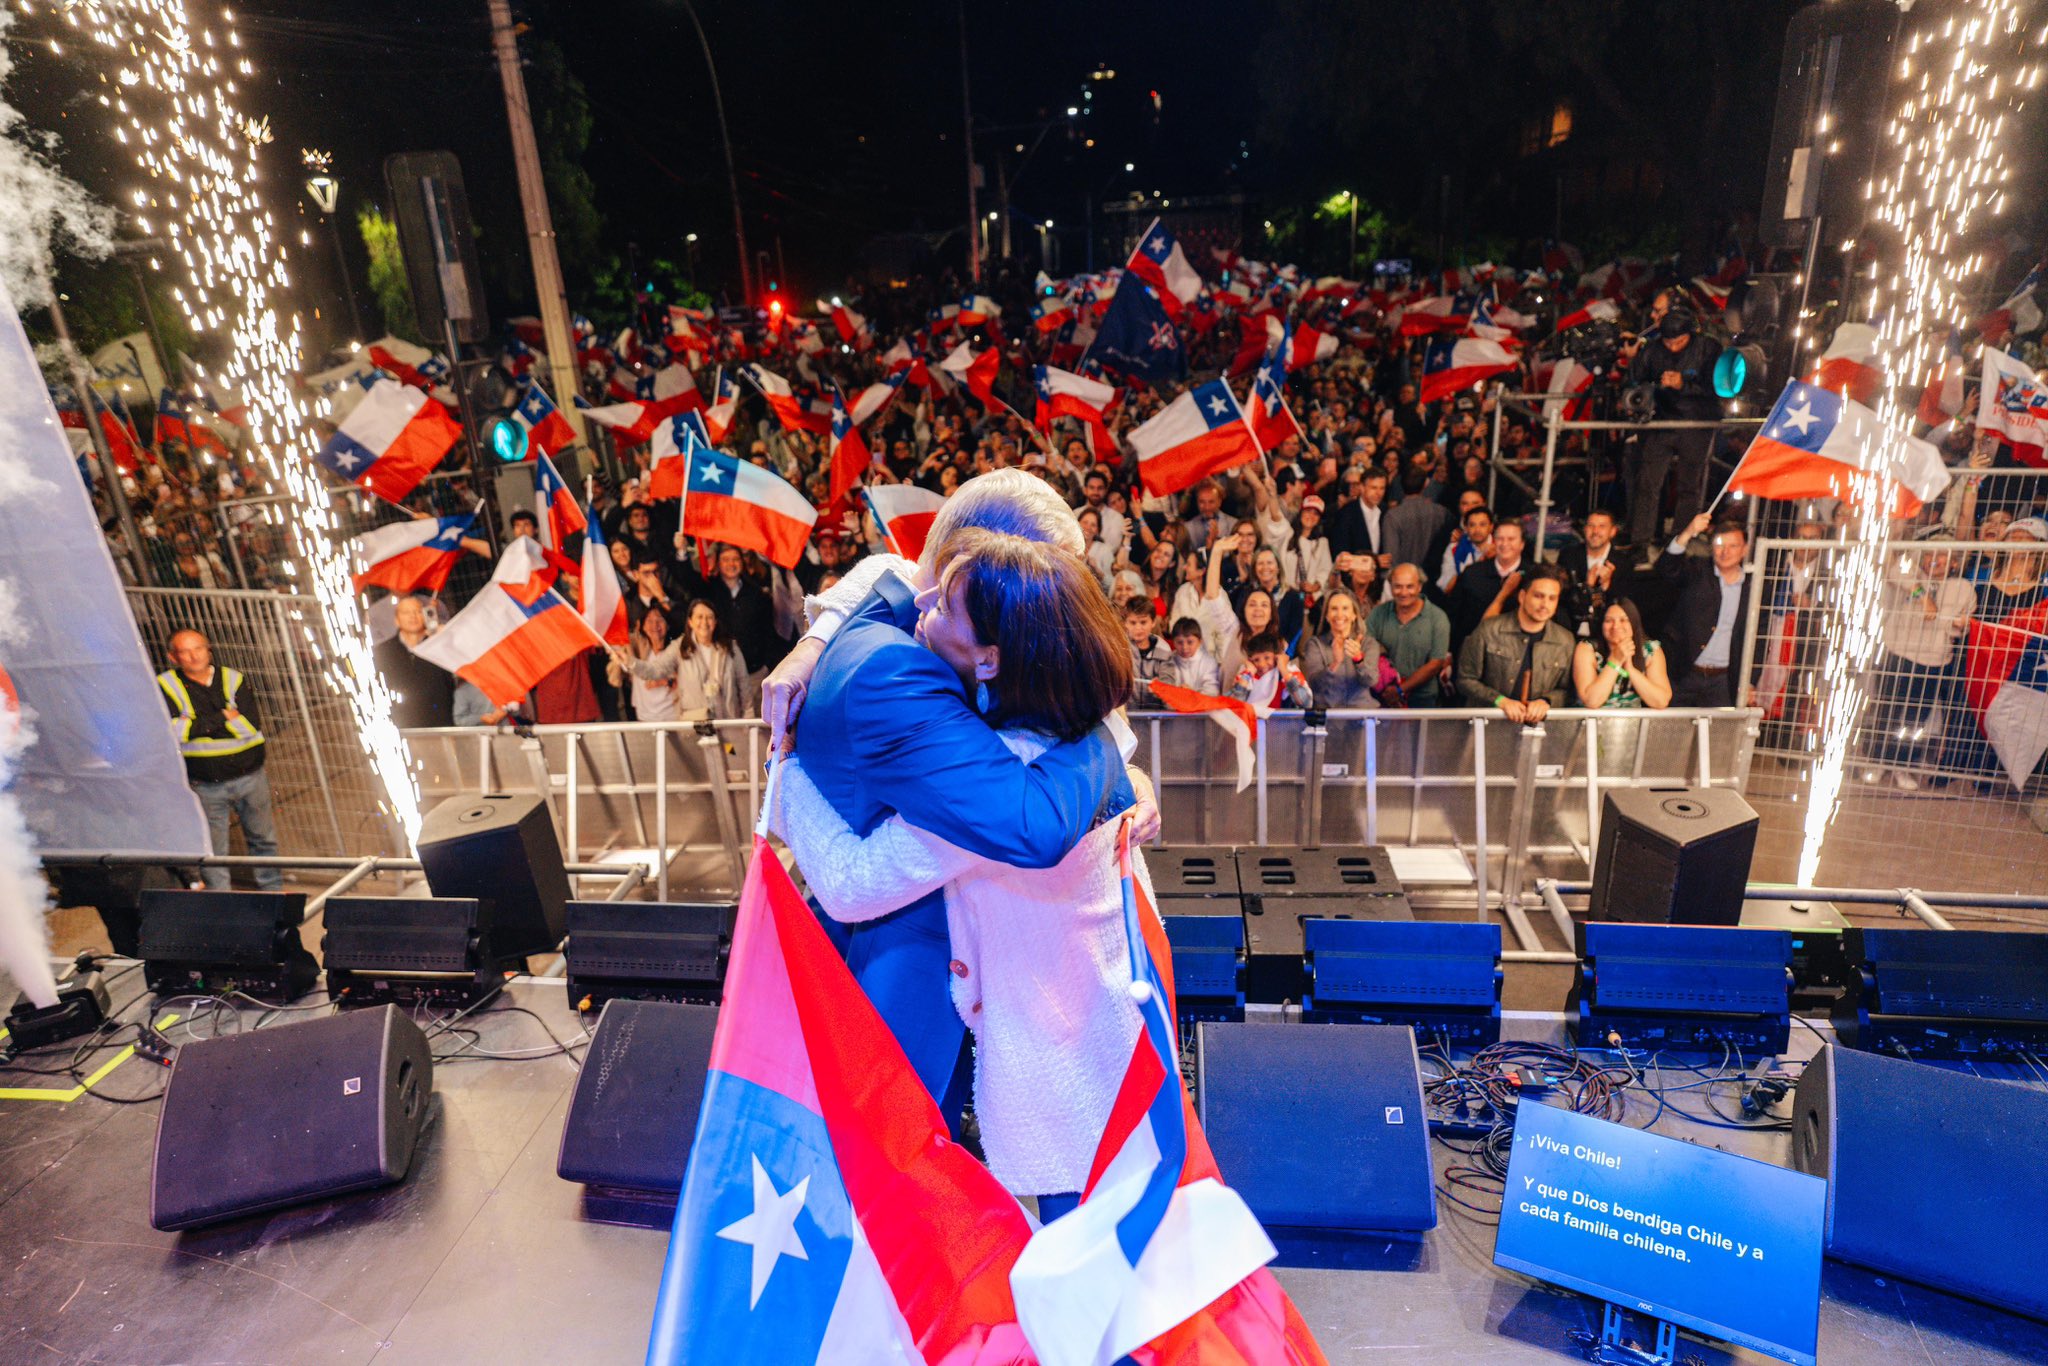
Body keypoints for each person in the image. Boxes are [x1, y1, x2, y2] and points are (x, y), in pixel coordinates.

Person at [767, 528, 1147, 1215]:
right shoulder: (1056, 716)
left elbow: (856, 883)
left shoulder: (1000, 769)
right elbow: (890, 570)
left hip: (1064, 1031)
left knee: (1080, 1231)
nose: (924, 605)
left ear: (993, 660)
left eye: (946, 609)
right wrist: (812, 643)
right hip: (1080, 1007)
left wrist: (784, 780)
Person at [157, 629, 282, 891]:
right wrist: (224, 716)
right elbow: (172, 732)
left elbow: (250, 725)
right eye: (185, 651)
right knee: (214, 852)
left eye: (198, 648)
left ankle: (273, 894)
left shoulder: (233, 679)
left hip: (250, 776)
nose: (193, 656)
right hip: (205, 784)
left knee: (263, 841)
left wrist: (195, 724)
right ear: (173, 656)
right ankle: (224, 904)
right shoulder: (165, 685)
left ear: (208, 650)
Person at [1873, 534, 1974, 789]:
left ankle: (1903, 765)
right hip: (1897, 651)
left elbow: (1959, 627)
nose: (1934, 560)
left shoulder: (1964, 588)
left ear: (1953, 563)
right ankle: (1879, 760)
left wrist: (1944, 618)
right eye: (1930, 553)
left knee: (1916, 717)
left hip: (1932, 660)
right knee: (1887, 709)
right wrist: (1921, 594)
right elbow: (1891, 569)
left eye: (1942, 555)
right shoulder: (1911, 573)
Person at [1623, 305, 1722, 551]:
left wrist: (1684, 385)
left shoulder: (1708, 349)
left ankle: (1681, 539)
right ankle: (1640, 542)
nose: (1673, 347)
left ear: (1690, 334)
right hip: (1662, 421)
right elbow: (1635, 380)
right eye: (1668, 342)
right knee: (1648, 482)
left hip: (1697, 422)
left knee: (1690, 484)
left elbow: (1717, 388)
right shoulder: (1653, 350)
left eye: (1678, 341)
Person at [1457, 565, 1573, 723]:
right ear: (1522, 596)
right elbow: (1465, 679)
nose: (1545, 604)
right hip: (1486, 727)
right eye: (1538, 596)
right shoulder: (1489, 629)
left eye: (1552, 598)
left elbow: (1568, 690)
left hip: (1538, 732)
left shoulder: (1565, 640)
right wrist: (1499, 700)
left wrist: (1547, 701)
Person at [1658, 513, 1751, 707]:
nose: (1725, 552)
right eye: (1719, 545)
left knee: (1718, 735)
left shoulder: (1753, 587)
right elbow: (1667, 568)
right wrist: (1689, 532)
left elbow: (1759, 635)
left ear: (1744, 550)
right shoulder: (1698, 570)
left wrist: (1751, 680)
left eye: (1733, 546)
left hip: (1723, 680)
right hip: (1685, 673)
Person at [1369, 563, 1454, 706]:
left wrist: (1400, 690)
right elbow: (1366, 648)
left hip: (1422, 700)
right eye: (1398, 586)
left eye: (1409, 586)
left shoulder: (1437, 618)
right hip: (1382, 697)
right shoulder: (1377, 614)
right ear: (1390, 586)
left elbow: (1435, 663)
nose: (1403, 592)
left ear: (1419, 586)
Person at [1573, 598, 1672, 709]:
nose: (1616, 626)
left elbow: (1661, 701)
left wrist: (1630, 670)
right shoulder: (1587, 648)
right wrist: (1614, 661)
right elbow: (1592, 701)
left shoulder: (1651, 650)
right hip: (1591, 723)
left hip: (1632, 724)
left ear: (1634, 623)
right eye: (1609, 620)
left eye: (1623, 620)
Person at [1446, 517, 1526, 652]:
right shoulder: (1472, 573)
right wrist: (1449, 652)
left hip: (1515, 653)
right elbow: (1454, 615)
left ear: (1522, 544)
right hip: (1473, 649)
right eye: (1500, 539)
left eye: (1511, 539)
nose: (1504, 544)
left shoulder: (1532, 577)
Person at [375, 594, 453, 728]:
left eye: (417, 611)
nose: (413, 616)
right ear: (397, 620)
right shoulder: (383, 651)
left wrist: (443, 639)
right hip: (398, 725)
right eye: (406, 612)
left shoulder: (439, 645)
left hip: (439, 723)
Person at [1557, 509, 1636, 640]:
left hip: (1606, 634)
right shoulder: (1568, 555)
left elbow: (1626, 606)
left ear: (1613, 531)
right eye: (1591, 526)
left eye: (1602, 526)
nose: (1595, 532)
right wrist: (1586, 587)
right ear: (1584, 529)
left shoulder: (1624, 563)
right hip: (1570, 630)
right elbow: (1561, 598)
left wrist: (1606, 587)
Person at [1298, 590, 1383, 708]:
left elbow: (1371, 681)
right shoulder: (1315, 644)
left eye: (1345, 608)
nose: (1339, 614)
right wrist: (1335, 664)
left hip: (1361, 717)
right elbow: (1314, 686)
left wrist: (1359, 660)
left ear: (1354, 615)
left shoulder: (1368, 643)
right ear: (1327, 616)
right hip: (1328, 718)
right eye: (1334, 609)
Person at [1231, 630, 1313, 708]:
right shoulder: (1247, 674)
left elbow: (1305, 703)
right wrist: (1247, 674)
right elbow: (1235, 705)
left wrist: (1284, 671)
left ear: (1277, 657)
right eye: (1256, 660)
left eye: (1267, 658)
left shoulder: (1289, 671)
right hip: (1251, 720)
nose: (1262, 664)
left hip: (1281, 721)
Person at [1158, 615, 1223, 695]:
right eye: (1179, 642)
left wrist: (1192, 693)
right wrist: (1177, 691)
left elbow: (1212, 692)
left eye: (1190, 642)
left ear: (1200, 641)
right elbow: (1164, 687)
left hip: (1201, 706)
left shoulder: (1209, 663)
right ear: (1173, 642)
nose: (1184, 647)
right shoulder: (1168, 660)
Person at [1123, 596, 1174, 685]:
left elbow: (1168, 682)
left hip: (1154, 698)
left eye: (1143, 622)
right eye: (1133, 623)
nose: (1138, 628)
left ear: (1153, 622)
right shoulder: (1120, 648)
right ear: (1125, 623)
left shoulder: (1164, 649)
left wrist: (1160, 687)